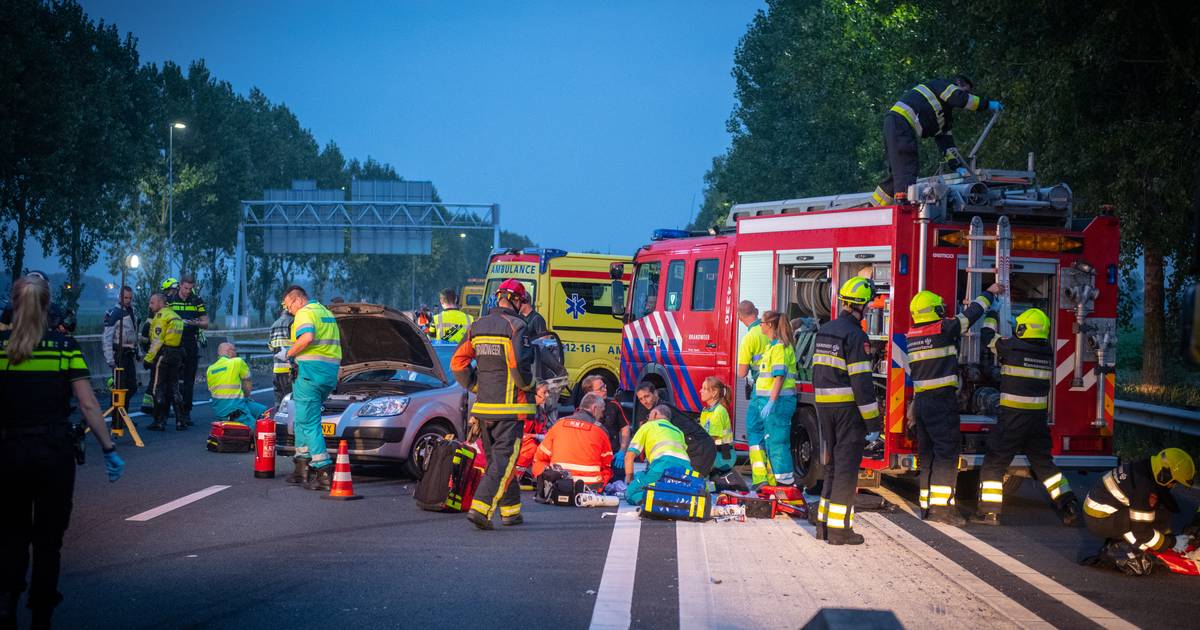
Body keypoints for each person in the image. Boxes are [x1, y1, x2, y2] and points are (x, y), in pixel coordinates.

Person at [0, 273, 124, 628]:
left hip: (8, 453)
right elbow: (87, 405)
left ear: (13, 304)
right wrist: (109, 447)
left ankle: (7, 602)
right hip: (53, 454)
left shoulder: (1, 347)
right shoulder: (63, 348)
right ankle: (42, 614)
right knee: (48, 541)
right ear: (47, 306)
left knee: (10, 534)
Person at [906, 282, 1002, 525]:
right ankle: (941, 511)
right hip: (941, 402)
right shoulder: (943, 329)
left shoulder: (913, 336)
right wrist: (990, 294)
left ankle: (927, 506)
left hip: (922, 402)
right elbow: (971, 315)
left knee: (927, 455)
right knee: (947, 455)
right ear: (935, 312)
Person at [975, 308, 1081, 526]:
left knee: (995, 463)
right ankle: (1068, 503)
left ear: (1022, 329)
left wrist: (992, 316)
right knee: (1044, 465)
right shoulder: (1046, 351)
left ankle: (990, 512)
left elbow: (987, 337)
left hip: (1012, 419)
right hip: (1037, 422)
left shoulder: (1012, 346)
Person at [451, 278, 535, 530]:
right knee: (504, 461)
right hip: (510, 409)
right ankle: (481, 507)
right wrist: (530, 385)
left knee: (496, 461)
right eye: (522, 301)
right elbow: (518, 367)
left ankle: (511, 511)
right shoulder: (516, 326)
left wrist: (477, 385)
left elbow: (457, 363)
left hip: (484, 408)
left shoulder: (477, 326)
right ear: (517, 300)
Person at [812, 278, 882, 545]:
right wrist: (873, 423)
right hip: (847, 412)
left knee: (831, 468)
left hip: (825, 409)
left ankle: (824, 527)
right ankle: (840, 532)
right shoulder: (856, 336)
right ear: (862, 305)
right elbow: (862, 384)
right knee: (846, 471)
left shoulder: (826, 330)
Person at [873, 76, 1003, 206]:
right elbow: (959, 98)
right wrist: (987, 104)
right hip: (900, 123)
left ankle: (875, 206)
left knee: (898, 173)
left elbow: (946, 143)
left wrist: (957, 166)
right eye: (966, 92)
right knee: (907, 167)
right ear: (958, 83)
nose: (967, 96)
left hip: (897, 124)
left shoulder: (944, 116)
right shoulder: (943, 85)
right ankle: (903, 205)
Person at [1082, 448, 1194, 576]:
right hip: (1099, 519)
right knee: (1143, 526)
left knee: (1156, 514)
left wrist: (1168, 536)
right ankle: (1121, 549)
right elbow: (1142, 531)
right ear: (1165, 475)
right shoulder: (1145, 488)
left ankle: (1121, 542)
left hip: (1101, 512)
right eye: (1173, 482)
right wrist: (1171, 543)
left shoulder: (1144, 469)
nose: (1173, 486)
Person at [280, 285, 342, 491]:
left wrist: (288, 353)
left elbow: (306, 338)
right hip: (328, 375)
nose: (289, 311)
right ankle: (301, 466)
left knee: (309, 422)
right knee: (302, 419)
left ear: (298, 300)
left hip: (310, 374)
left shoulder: (305, 313)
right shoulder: (326, 312)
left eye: (289, 306)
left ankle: (323, 469)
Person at [751, 310, 798, 487]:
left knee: (778, 443)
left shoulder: (779, 347)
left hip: (778, 403)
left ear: (770, 325)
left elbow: (779, 377)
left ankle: (785, 484)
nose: (760, 325)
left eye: (762, 322)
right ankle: (779, 482)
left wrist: (771, 401)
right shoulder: (772, 346)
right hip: (773, 402)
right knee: (773, 442)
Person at [532, 392, 614, 489]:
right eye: (602, 411)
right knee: (609, 470)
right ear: (594, 408)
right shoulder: (600, 430)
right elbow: (606, 463)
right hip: (590, 486)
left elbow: (540, 456)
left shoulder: (559, 424)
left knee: (538, 463)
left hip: (558, 483)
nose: (602, 415)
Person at [634, 383, 716, 475]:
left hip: (700, 448)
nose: (644, 401)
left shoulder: (660, 412)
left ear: (655, 393)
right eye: (641, 399)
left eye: (647, 396)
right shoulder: (659, 407)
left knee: (691, 484)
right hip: (696, 447)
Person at [623, 405, 693, 505]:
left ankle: (658, 498)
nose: (648, 419)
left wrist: (630, 482)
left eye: (649, 416)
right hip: (685, 472)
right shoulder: (678, 431)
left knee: (631, 493)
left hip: (661, 467)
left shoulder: (648, 426)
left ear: (655, 414)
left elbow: (629, 457)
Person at [166, 274, 208, 424]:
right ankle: (174, 411)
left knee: (189, 380)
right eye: (185, 288)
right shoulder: (170, 300)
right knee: (173, 379)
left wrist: (193, 322)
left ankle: (186, 412)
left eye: (191, 288)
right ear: (180, 285)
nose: (188, 291)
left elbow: (205, 323)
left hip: (190, 342)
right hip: (174, 344)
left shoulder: (196, 301)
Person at [144, 293, 189, 431]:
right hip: (176, 355)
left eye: (152, 303)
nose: (150, 306)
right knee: (174, 387)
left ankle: (159, 421)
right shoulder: (175, 316)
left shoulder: (160, 317)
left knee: (158, 387)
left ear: (160, 303)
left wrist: (148, 359)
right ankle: (181, 421)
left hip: (163, 355)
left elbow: (157, 341)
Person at [735, 301, 769, 479]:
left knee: (754, 429)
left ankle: (759, 476)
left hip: (760, 388)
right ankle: (773, 475)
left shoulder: (750, 337)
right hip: (779, 388)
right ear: (756, 312)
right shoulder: (770, 331)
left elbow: (741, 373)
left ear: (740, 317)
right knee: (771, 433)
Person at [102, 285, 139, 430]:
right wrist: (110, 359)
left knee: (132, 387)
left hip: (129, 354)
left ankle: (123, 415)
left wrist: (138, 351)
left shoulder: (132, 311)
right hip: (119, 354)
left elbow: (134, 334)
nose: (128, 300)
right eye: (125, 298)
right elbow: (106, 338)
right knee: (120, 388)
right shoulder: (114, 313)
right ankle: (117, 420)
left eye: (130, 298)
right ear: (119, 297)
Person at [581, 374, 630, 479]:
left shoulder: (614, 405)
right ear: (590, 393)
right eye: (601, 388)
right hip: (592, 458)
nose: (605, 390)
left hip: (614, 457)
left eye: (605, 386)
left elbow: (625, 429)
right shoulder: (583, 409)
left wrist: (622, 450)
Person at [206, 342, 268, 424]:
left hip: (220, 410)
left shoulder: (210, 369)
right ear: (230, 351)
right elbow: (247, 381)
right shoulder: (237, 362)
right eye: (235, 351)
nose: (236, 354)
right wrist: (247, 396)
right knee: (261, 427)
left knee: (262, 410)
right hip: (236, 409)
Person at [515, 383, 552, 487]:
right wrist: (535, 437)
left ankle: (540, 477)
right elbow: (518, 435)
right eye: (544, 392)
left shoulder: (540, 412)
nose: (547, 395)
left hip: (528, 444)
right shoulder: (522, 409)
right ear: (534, 394)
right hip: (517, 445)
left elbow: (544, 433)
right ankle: (516, 476)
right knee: (531, 446)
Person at [700, 377, 735, 475]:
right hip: (715, 454)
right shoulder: (706, 411)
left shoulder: (718, 411)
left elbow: (711, 439)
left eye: (704, 388)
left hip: (721, 457)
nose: (700, 391)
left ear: (714, 393)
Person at [267, 306, 294, 407]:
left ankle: (278, 421)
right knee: (291, 401)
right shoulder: (293, 322)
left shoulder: (274, 325)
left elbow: (270, 346)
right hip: (290, 369)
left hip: (277, 369)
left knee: (279, 402)